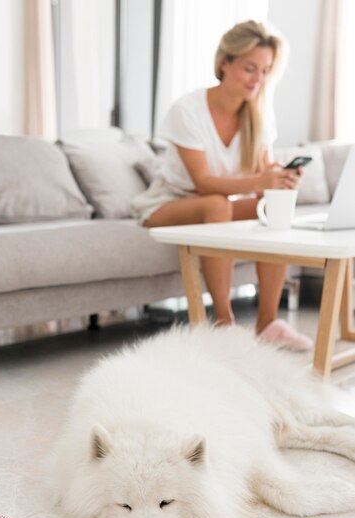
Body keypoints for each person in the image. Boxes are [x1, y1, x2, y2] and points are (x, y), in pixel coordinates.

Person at [131, 20, 313, 351]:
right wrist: (261, 179)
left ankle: (268, 322)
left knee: (272, 205)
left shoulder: (259, 114)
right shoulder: (188, 110)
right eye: (249, 68)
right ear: (224, 63)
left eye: (265, 70)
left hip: (220, 202)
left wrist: (279, 179)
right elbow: (203, 183)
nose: (258, 80)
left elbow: (262, 179)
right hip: (168, 203)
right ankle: (223, 322)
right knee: (217, 203)